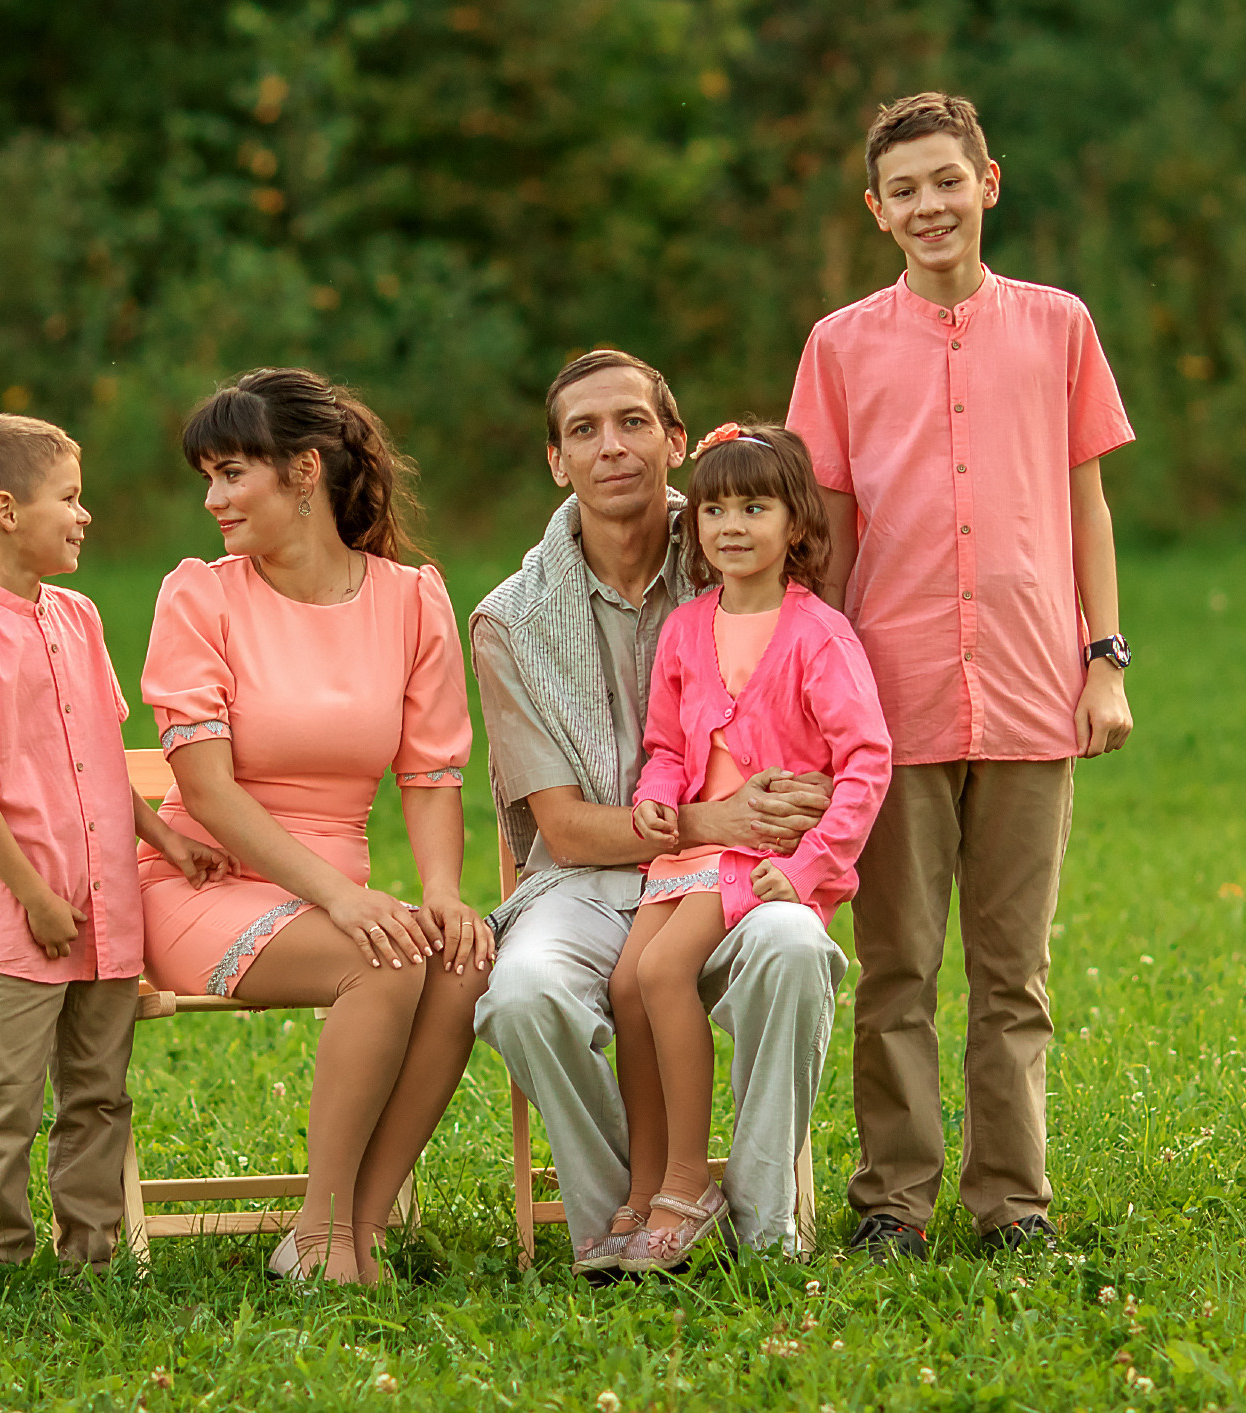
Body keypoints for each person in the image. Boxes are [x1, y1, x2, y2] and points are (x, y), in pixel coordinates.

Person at [786, 93, 1137, 1261]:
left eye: (948, 181)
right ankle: (891, 1202)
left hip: (1038, 692)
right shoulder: (838, 346)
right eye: (905, 190)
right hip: (888, 702)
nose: (929, 204)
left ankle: (1011, 1206)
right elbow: (821, 529)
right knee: (894, 969)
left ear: (987, 185)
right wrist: (808, 699)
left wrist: (1104, 661)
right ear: (876, 212)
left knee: (1012, 976)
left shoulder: (1058, 325)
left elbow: (1085, 502)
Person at [471, 350, 846, 1266]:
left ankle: (760, 1228)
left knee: (796, 949)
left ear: (675, 440)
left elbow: (822, 738)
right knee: (520, 994)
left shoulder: (740, 550)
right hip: (585, 881)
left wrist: (801, 803)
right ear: (556, 461)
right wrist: (717, 817)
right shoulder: (510, 620)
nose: (613, 448)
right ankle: (621, 1217)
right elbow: (562, 827)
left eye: (634, 422)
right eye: (584, 431)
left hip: (730, 880)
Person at [136, 367, 489, 1286]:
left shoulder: (412, 600)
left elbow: (432, 772)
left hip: (338, 892)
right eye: (207, 478)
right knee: (385, 956)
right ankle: (328, 1234)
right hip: (203, 883)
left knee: (455, 959)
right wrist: (344, 895)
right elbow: (207, 793)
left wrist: (442, 894)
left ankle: (343, 1228)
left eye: (231, 475)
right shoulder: (199, 597)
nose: (213, 499)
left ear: (303, 472)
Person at [0, 413, 226, 1301]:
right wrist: (36, 900)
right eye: (70, 499)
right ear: (6, 510)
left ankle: (91, 1255)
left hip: (102, 907)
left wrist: (165, 839)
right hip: (19, 917)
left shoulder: (79, 618)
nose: (85, 516)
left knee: (99, 1093)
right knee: (5, 1098)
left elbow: (95, 757)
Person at [584, 423, 892, 1275]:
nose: (730, 525)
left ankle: (691, 1183)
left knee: (657, 972)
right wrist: (654, 801)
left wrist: (806, 867)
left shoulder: (818, 635)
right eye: (714, 507)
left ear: (795, 523)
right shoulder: (687, 627)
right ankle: (647, 1189)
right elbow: (669, 747)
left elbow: (867, 761)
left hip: (763, 862)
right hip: (691, 851)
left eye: (754, 506)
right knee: (624, 983)